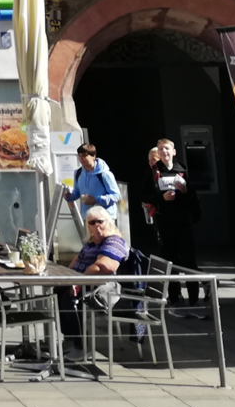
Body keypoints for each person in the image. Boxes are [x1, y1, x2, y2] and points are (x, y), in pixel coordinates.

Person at [58, 207, 128, 360]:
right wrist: (69, 277)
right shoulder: (92, 242)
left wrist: (78, 282)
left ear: (108, 222)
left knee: (70, 300)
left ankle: (82, 345)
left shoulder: (114, 241)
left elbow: (104, 266)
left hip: (103, 289)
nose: (96, 225)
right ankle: (70, 338)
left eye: (100, 221)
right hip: (85, 282)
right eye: (92, 222)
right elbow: (77, 259)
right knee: (58, 291)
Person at [142, 138, 202, 312]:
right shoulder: (153, 171)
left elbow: (193, 196)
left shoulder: (182, 170)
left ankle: (194, 299)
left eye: (167, 148)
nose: (164, 152)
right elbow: (144, 196)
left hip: (184, 221)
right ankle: (175, 298)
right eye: (161, 149)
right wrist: (162, 198)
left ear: (174, 151)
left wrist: (184, 190)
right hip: (165, 223)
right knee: (170, 261)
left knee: (189, 260)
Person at [65, 144, 121, 214]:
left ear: (93, 156)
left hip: (105, 217)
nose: (81, 158)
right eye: (79, 155)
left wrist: (96, 200)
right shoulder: (78, 173)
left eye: (84, 155)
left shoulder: (104, 174)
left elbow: (116, 196)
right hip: (87, 216)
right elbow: (77, 192)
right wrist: (69, 197)